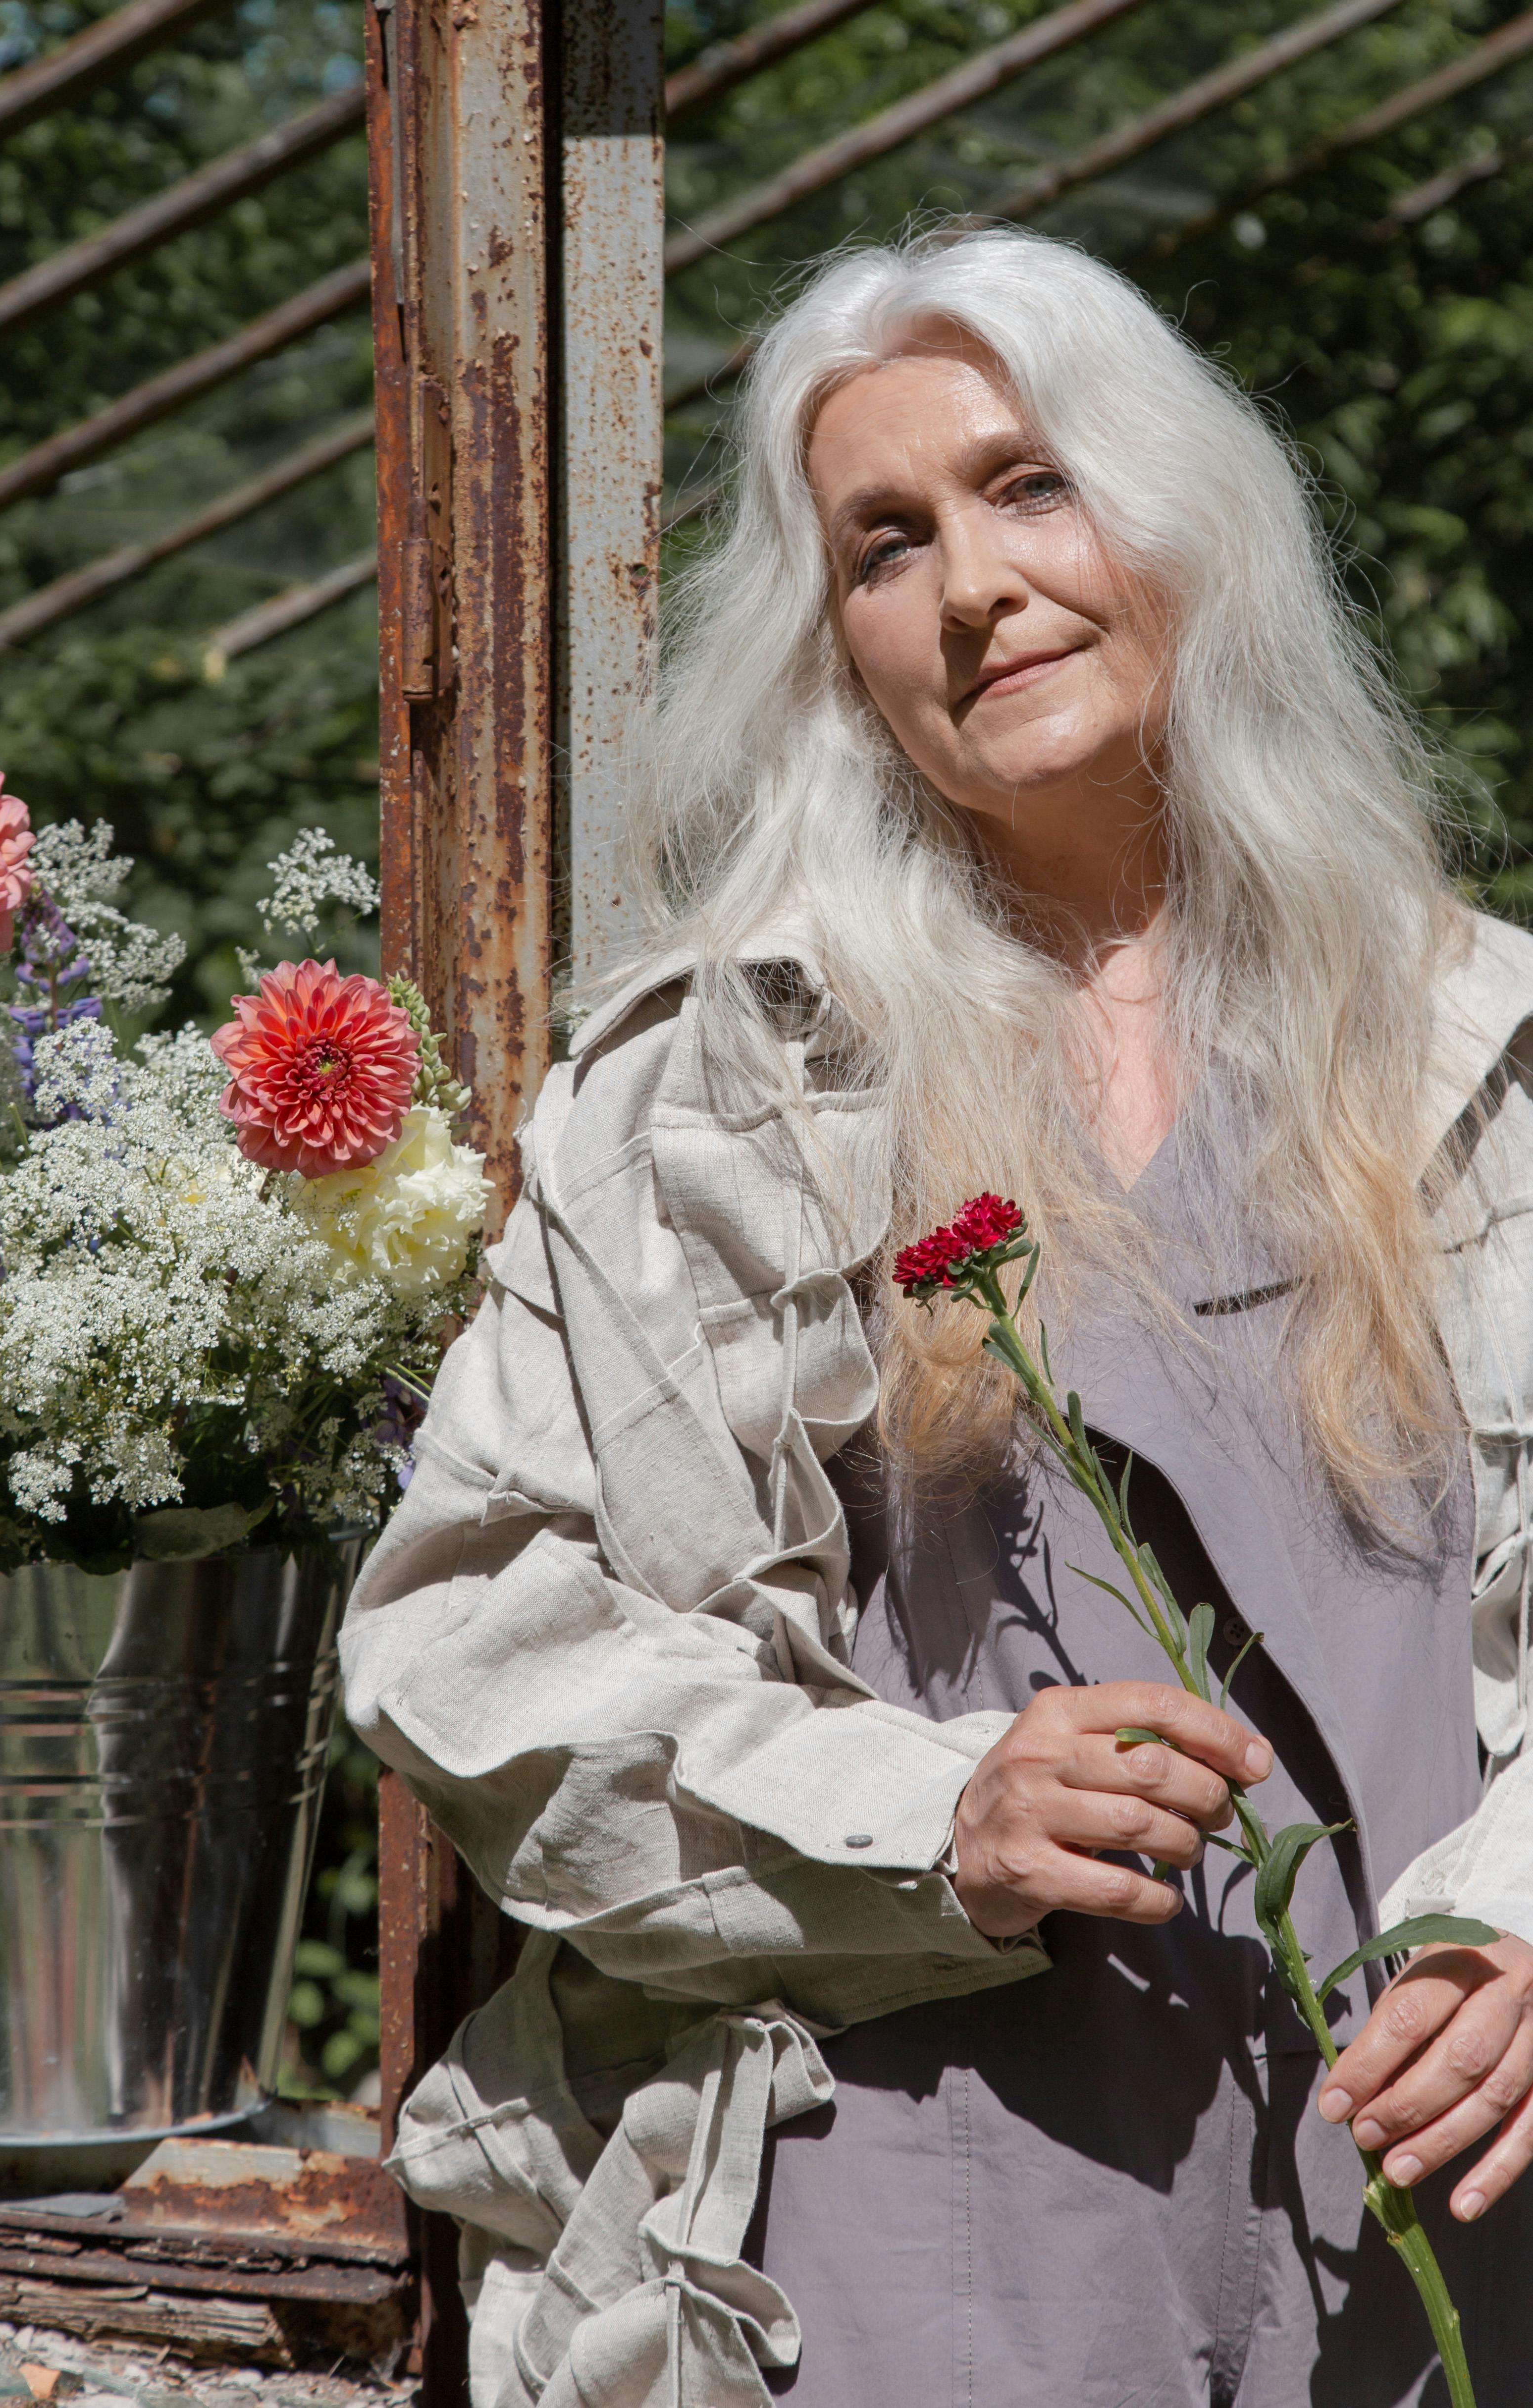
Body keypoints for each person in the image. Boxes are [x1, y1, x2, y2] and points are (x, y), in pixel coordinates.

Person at [340, 227, 1533, 2408]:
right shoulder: (715, 1087)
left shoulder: (1477, 1041)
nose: (973, 584)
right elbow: (469, 1623)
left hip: (1446, 2215)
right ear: (836, 646)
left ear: (1188, 521)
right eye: (885, 543)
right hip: (938, 2223)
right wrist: (926, 1811)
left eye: (1031, 485)